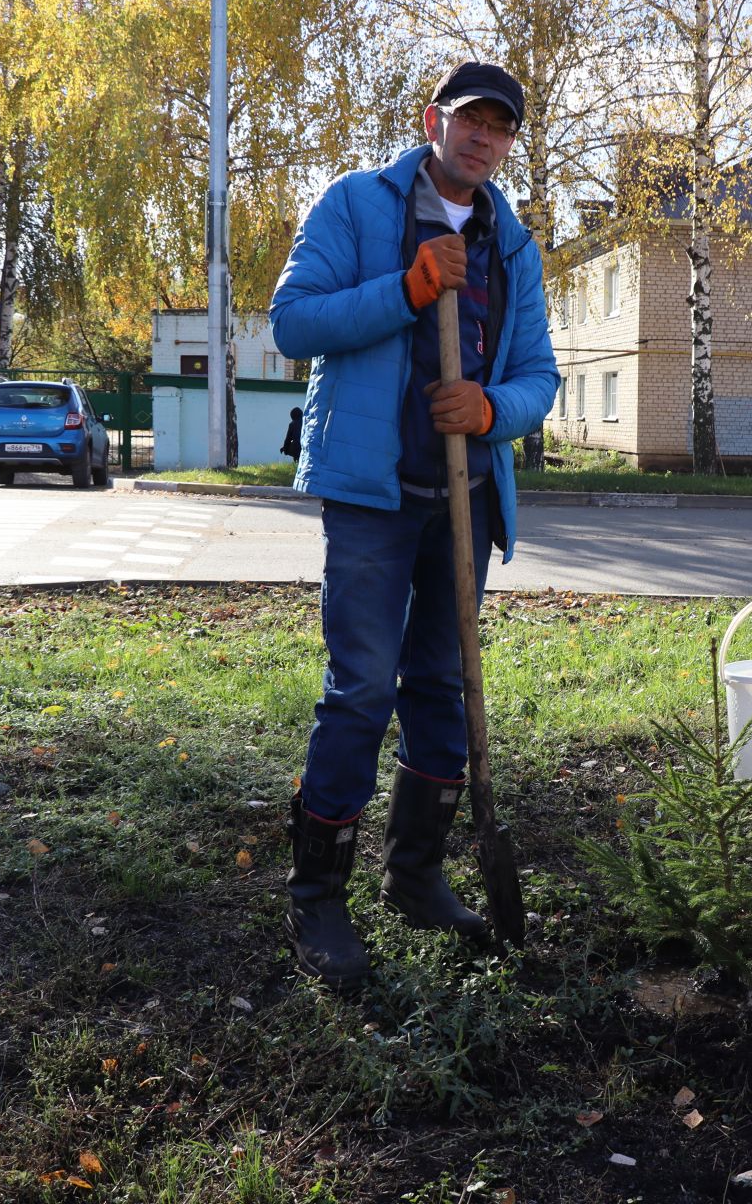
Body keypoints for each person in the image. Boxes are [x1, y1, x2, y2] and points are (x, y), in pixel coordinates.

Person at [269, 62, 560, 990]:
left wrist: (489, 410)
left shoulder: (513, 245)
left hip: (463, 499)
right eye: (469, 120)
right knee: (360, 687)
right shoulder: (357, 206)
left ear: (510, 143)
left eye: (500, 127)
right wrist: (404, 288)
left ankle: (416, 873)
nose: (483, 138)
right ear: (434, 122)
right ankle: (317, 896)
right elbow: (293, 323)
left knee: (441, 679)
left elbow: (538, 376)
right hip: (372, 493)